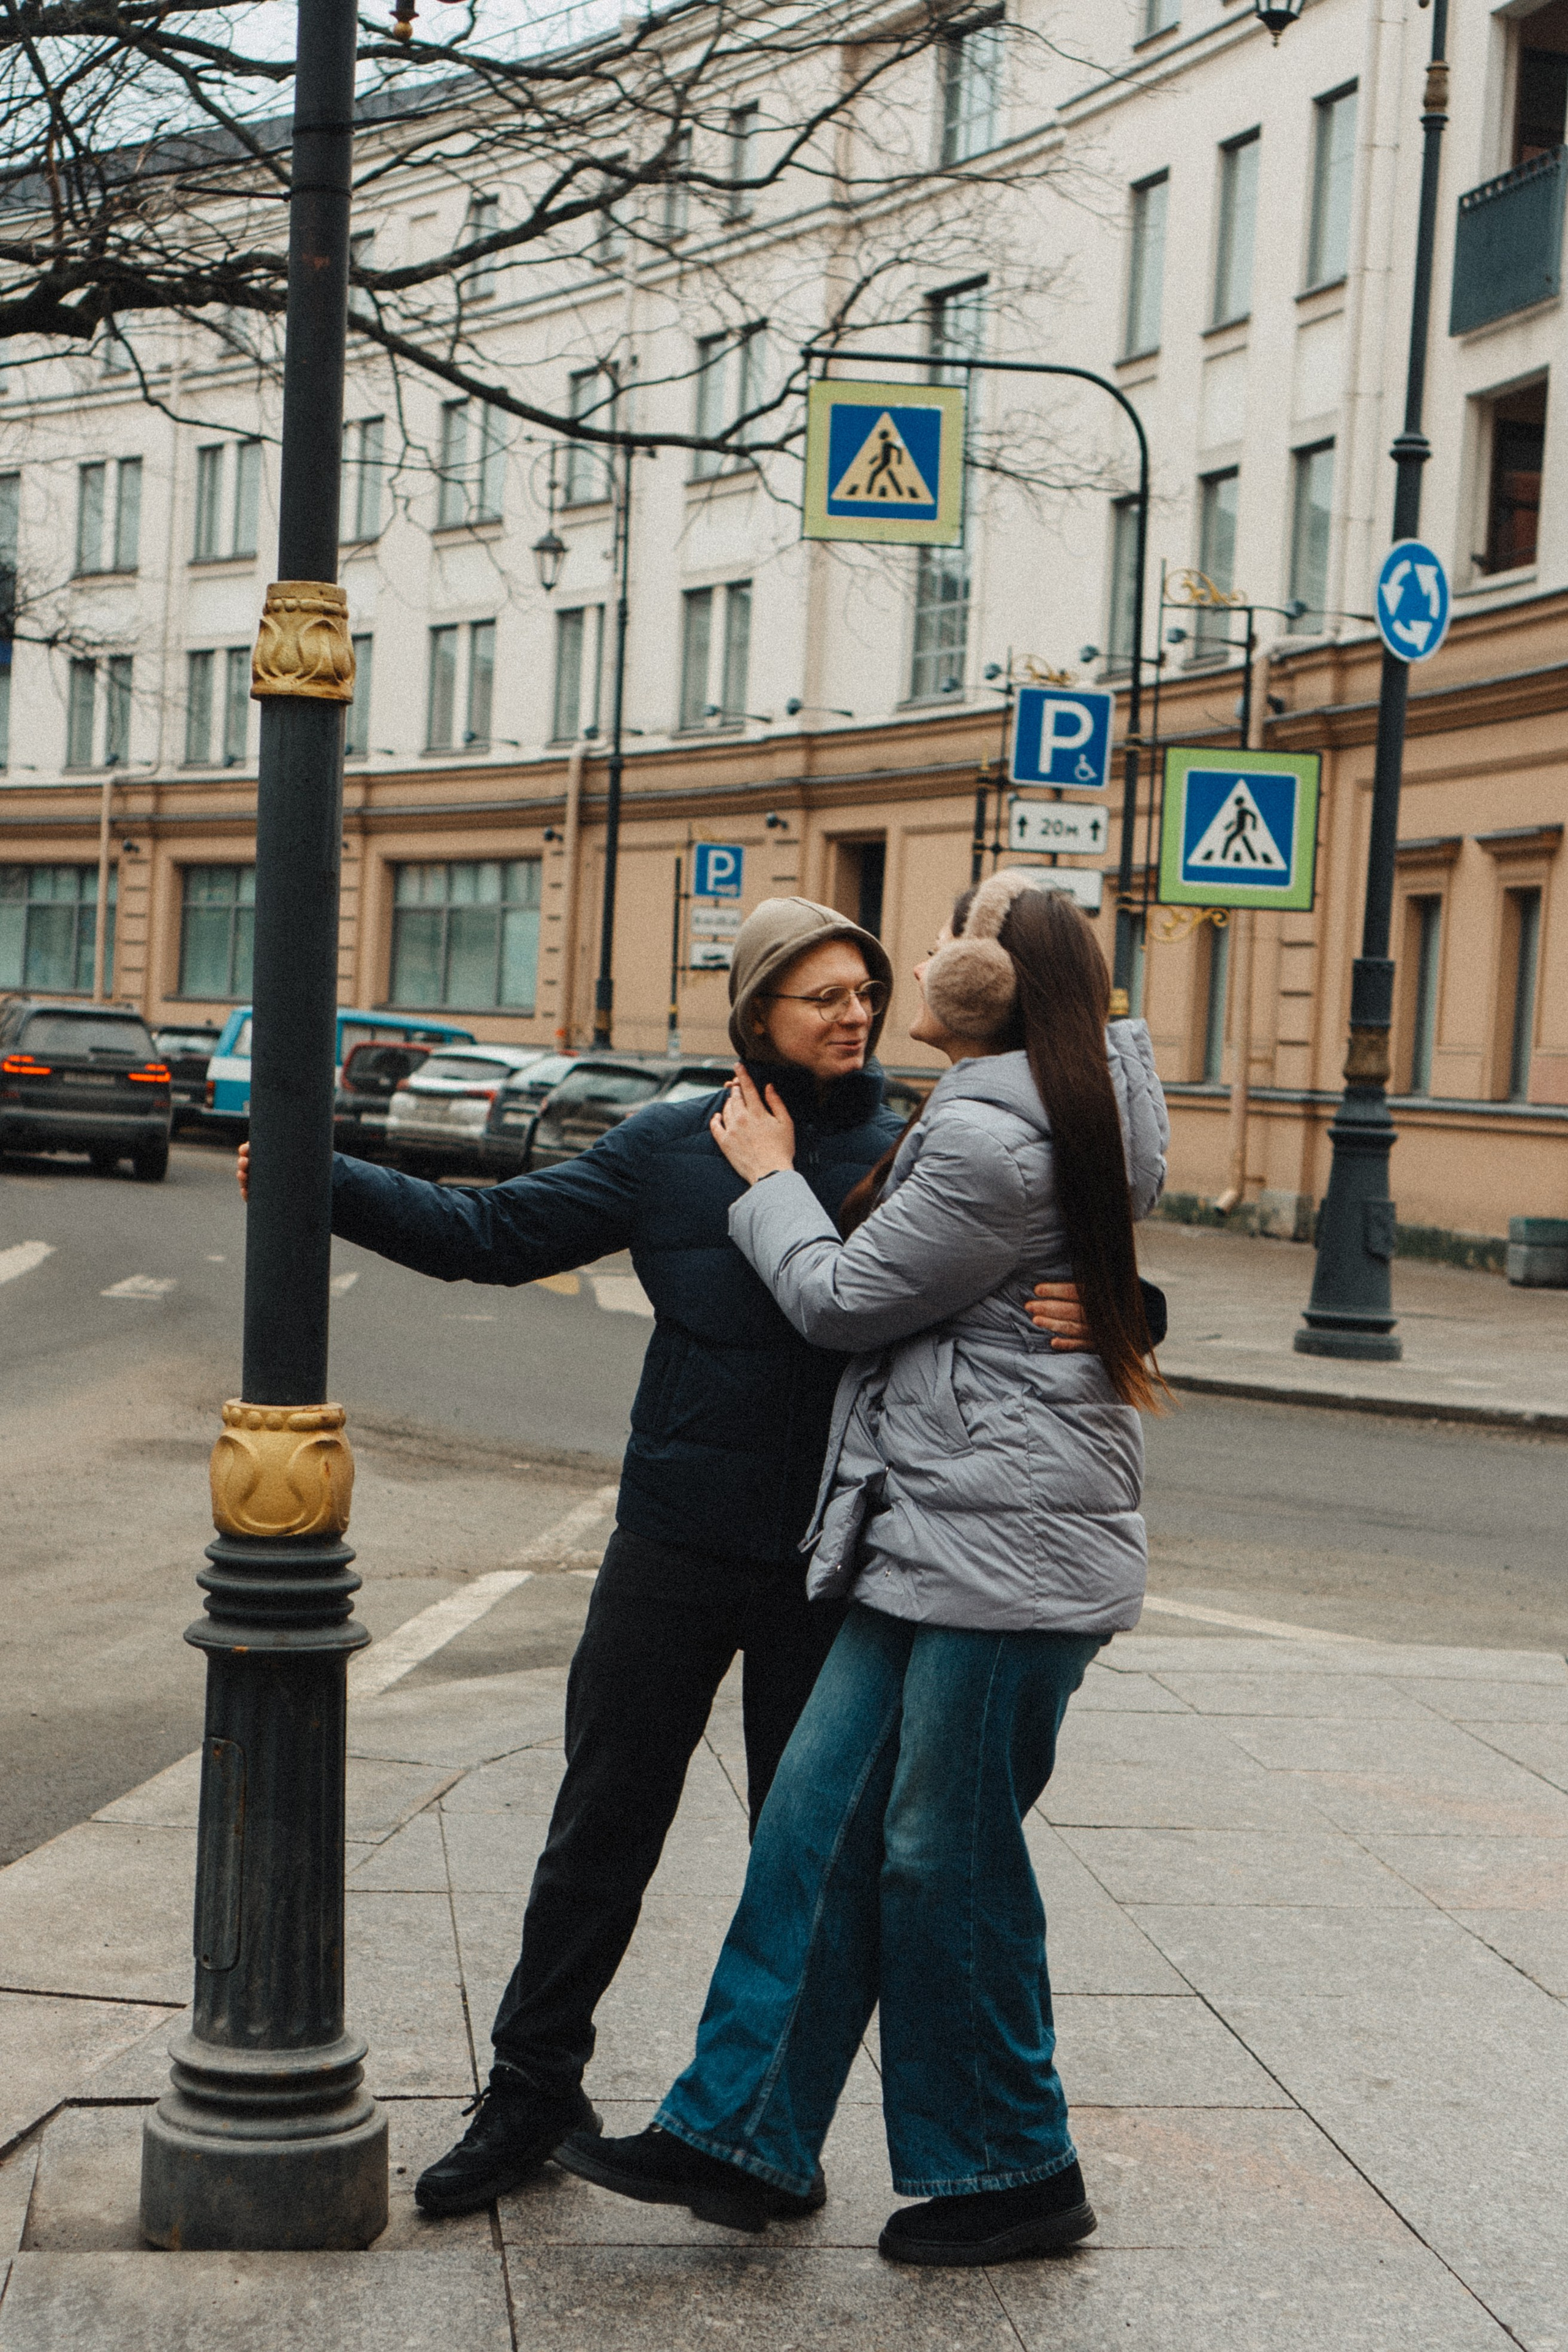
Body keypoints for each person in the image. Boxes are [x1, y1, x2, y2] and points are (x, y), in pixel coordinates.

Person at [233, 892, 1156, 2220]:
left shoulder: (919, 1143)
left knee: (810, 1852)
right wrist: (321, 1176)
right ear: (754, 1015)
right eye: (819, 996)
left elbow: (1029, 1258)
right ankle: (531, 2090)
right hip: (672, 1540)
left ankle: (758, 2136)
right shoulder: (671, 1146)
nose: (850, 1015)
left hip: (836, 1560)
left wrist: (1134, 1308)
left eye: (863, 992)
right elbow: (491, 1239)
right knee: (600, 1825)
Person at [557, 872, 1169, 2269]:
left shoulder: (985, 1133)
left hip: (1002, 1547)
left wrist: (769, 1184)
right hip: (933, 1527)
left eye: (961, 931)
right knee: (817, 1825)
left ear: (996, 984)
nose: (927, 960)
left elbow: (839, 1301)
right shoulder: (1055, 1099)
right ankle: (741, 2128)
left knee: (940, 1858)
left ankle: (1016, 2167)